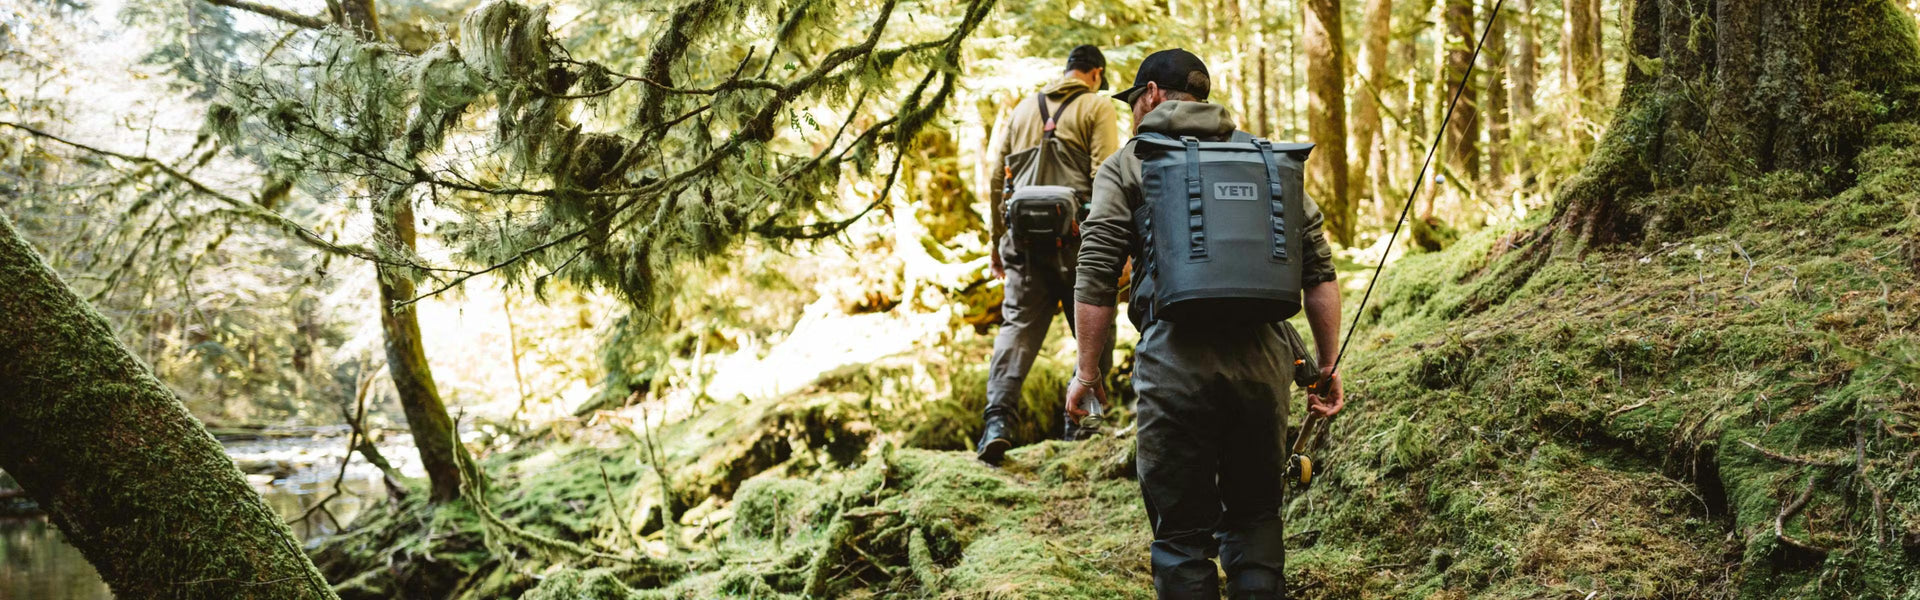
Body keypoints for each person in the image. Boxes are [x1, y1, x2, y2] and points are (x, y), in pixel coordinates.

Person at [1064, 49, 1347, 599]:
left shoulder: (1129, 163)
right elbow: (1319, 272)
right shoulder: (1266, 159)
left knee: (1181, 537)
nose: (1132, 113)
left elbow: (1095, 274)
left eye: (1133, 101)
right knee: (1255, 518)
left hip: (1174, 366)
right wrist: (1326, 365)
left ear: (1150, 95)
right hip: (1263, 364)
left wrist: (1087, 374)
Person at [976, 44, 1123, 465]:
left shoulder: (1024, 108)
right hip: (1079, 245)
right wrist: (1115, 245)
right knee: (1096, 328)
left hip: (1024, 246)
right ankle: (1082, 425)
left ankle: (997, 423)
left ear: (1067, 70)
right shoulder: (1097, 106)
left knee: (1016, 330)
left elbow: (996, 177)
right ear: (1096, 73)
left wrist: (997, 241)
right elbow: (1105, 176)